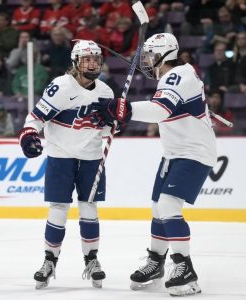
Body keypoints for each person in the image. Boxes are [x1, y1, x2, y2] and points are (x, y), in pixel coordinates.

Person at [92, 33, 216, 297]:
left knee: (169, 205)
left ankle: (185, 267)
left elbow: (160, 110)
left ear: (163, 55)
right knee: (158, 207)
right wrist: (121, 109)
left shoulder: (177, 75)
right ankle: (157, 261)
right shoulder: (175, 76)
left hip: (194, 152)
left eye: (150, 55)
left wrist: (122, 108)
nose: (146, 61)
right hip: (174, 153)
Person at [18, 40, 114, 289]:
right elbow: (36, 117)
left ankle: (91, 260)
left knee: (89, 209)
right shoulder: (61, 86)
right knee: (58, 209)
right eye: (87, 60)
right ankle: (49, 261)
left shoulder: (106, 92)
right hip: (61, 156)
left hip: (92, 158)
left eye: (96, 59)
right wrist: (29, 135)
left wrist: (117, 119)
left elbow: (106, 130)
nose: (93, 63)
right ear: (75, 62)